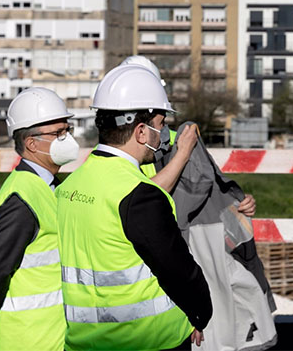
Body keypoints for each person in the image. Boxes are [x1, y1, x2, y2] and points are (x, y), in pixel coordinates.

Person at [56, 65, 212, 351]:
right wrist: (201, 314)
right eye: (161, 124)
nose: (163, 133)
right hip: (148, 340)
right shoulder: (141, 196)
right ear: (141, 131)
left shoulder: (68, 188)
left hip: (83, 342)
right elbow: (179, 270)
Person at [0, 87, 78, 351]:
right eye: (58, 133)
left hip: (52, 335)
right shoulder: (21, 199)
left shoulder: (48, 187)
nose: (66, 139)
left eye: (67, 130)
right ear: (32, 143)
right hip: (29, 339)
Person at [117, 55, 257, 216]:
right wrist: (182, 154)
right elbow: (140, 199)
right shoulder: (113, 147)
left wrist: (237, 201)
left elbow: (206, 185)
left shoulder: (178, 139)